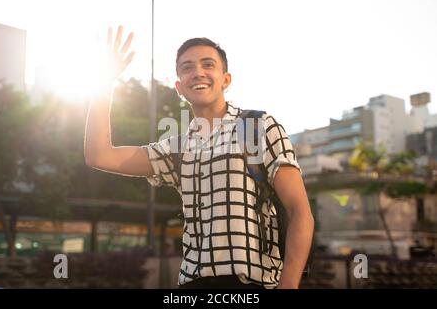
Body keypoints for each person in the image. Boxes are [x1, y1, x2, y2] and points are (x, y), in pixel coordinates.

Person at [84, 25, 314, 289]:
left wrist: (288, 286)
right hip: (191, 287)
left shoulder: (259, 126)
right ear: (179, 87)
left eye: (208, 64)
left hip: (252, 284)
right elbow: (99, 155)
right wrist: (105, 81)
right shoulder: (176, 149)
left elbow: (300, 212)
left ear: (226, 79)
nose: (198, 73)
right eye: (187, 67)